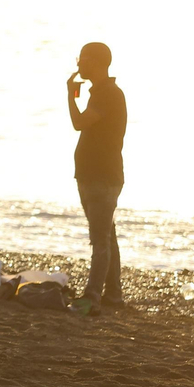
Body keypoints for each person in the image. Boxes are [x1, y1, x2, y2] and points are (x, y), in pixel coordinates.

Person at [69, 41, 128, 309]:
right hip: (94, 175)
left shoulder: (108, 93)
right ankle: (113, 295)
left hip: (102, 177)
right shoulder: (101, 92)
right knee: (106, 235)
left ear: (95, 61)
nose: (78, 63)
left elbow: (79, 123)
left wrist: (70, 96)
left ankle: (92, 296)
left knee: (100, 239)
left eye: (82, 59)